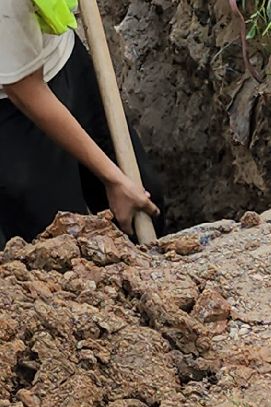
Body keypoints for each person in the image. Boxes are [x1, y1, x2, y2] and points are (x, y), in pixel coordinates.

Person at [1, 0, 162, 242]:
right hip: (12, 109)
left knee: (144, 197)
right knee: (60, 240)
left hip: (61, 57)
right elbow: (24, 89)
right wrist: (113, 179)